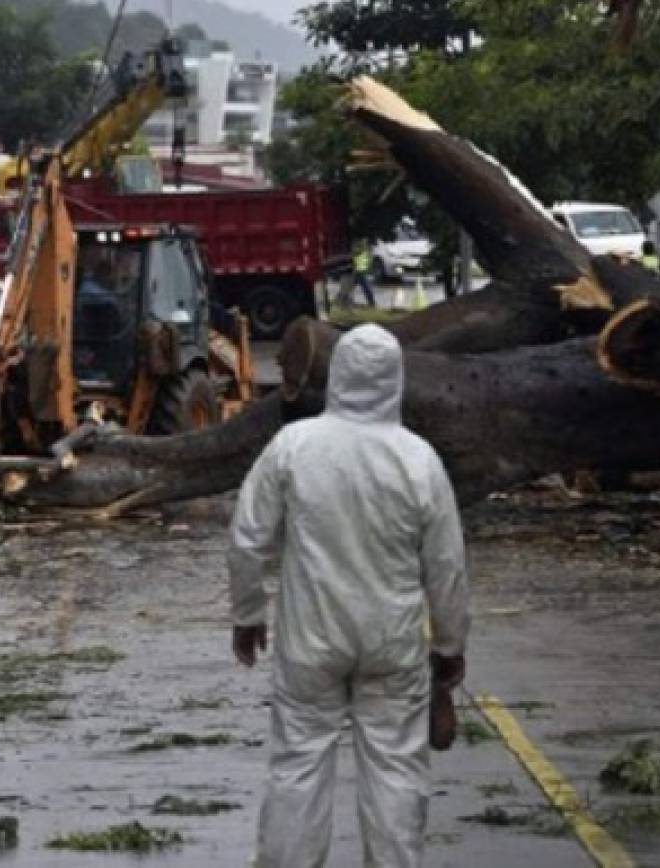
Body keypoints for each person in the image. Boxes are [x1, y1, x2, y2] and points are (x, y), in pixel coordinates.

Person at [229, 323, 469, 868]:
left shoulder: (293, 447)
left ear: (335, 375)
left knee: (298, 766)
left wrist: (247, 613)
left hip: (310, 641)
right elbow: (447, 566)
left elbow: (248, 537)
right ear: (396, 380)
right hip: (393, 643)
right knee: (395, 772)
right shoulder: (418, 460)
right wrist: (450, 646)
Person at [352, 239, 377, 308]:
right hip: (357, 270)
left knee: (365, 287)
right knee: (365, 287)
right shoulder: (362, 247)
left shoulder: (364, 247)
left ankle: (372, 303)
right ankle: (372, 303)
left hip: (359, 270)